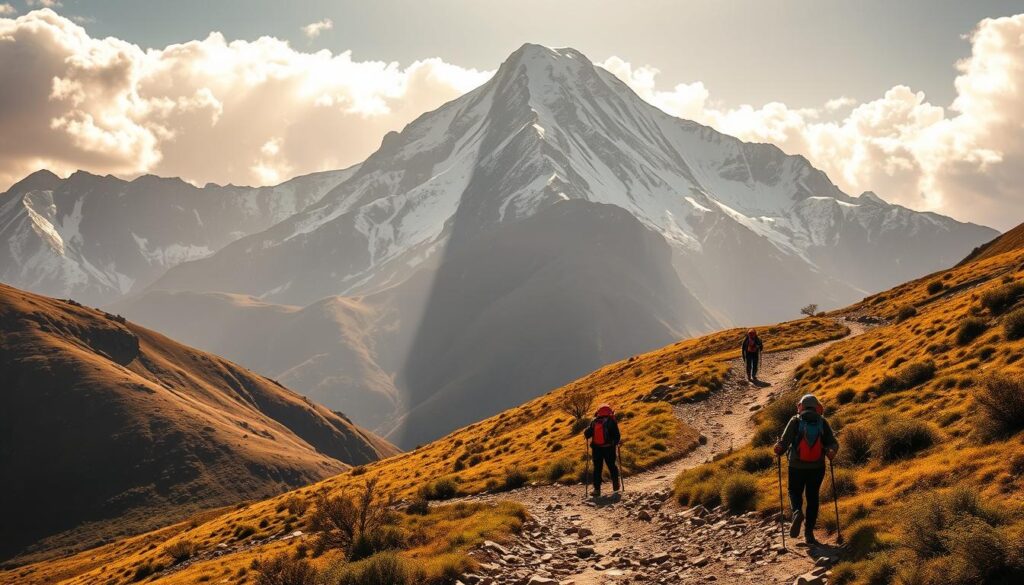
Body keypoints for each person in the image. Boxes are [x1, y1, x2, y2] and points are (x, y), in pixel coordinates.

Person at [773, 394, 839, 544]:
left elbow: (784, 443)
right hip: (817, 467)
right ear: (817, 407)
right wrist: (831, 451)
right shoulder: (822, 421)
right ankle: (809, 533)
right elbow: (833, 443)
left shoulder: (795, 421)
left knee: (794, 491)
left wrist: (778, 449)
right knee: (813, 497)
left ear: (801, 406)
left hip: (796, 466)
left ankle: (797, 512)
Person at [583, 404, 621, 498]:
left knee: (597, 468)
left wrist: (587, 431)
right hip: (609, 448)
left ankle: (597, 490)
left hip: (597, 449)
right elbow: (617, 436)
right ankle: (615, 485)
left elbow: (587, 434)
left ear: (598, 412)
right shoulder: (611, 421)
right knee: (612, 466)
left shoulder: (594, 421)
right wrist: (615, 443)